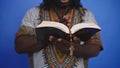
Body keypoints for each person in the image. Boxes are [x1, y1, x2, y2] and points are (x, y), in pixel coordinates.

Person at [15, 0, 103, 68]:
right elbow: (20, 46)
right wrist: (49, 35)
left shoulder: (86, 15)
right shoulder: (34, 13)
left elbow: (94, 49)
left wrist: (71, 48)